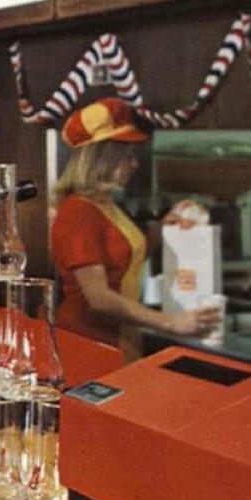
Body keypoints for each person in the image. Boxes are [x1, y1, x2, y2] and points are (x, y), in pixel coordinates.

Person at [51, 98, 220, 360]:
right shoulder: (78, 211)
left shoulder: (106, 205)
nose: (134, 164)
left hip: (120, 337)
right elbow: (99, 297)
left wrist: (164, 227)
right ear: (104, 158)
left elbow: (123, 257)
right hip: (87, 343)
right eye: (127, 157)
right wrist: (171, 322)